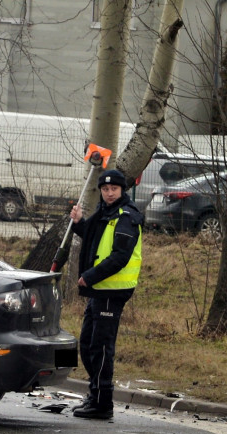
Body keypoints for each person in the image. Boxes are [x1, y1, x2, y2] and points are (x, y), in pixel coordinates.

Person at [68, 169, 143, 420]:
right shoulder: (104, 212)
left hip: (113, 290)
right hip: (99, 290)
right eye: (105, 189)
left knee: (101, 346)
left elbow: (120, 258)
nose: (110, 193)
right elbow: (91, 238)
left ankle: (102, 402)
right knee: (88, 343)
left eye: (114, 189)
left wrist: (89, 276)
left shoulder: (127, 217)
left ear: (123, 190)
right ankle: (95, 393)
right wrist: (79, 223)